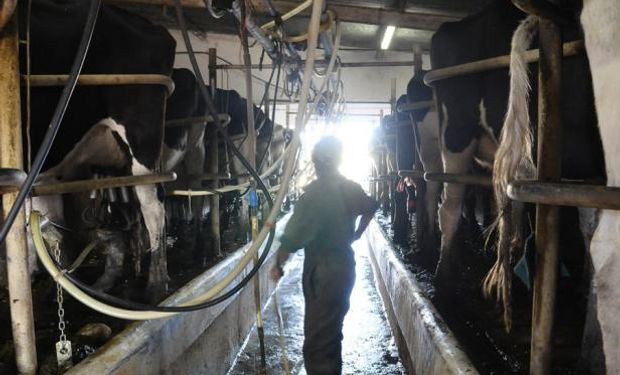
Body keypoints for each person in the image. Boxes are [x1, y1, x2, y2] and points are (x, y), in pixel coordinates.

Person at [270, 136, 378, 375]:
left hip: (322, 271)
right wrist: (357, 234)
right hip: (345, 267)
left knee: (318, 344)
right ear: (338, 160)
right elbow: (371, 207)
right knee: (331, 332)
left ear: (316, 162)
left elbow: (292, 239)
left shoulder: (313, 195)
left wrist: (278, 264)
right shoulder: (351, 187)